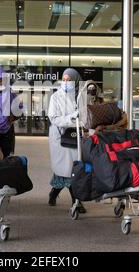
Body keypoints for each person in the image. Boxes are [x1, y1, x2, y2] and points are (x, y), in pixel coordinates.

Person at [47, 68, 86, 213]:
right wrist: (72, 118)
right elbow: (54, 118)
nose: (66, 82)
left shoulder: (82, 96)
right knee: (64, 170)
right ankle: (75, 201)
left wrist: (80, 121)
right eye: (63, 79)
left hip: (76, 137)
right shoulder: (56, 97)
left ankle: (59, 194)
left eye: (69, 80)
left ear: (75, 80)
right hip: (60, 137)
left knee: (74, 169)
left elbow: (86, 116)